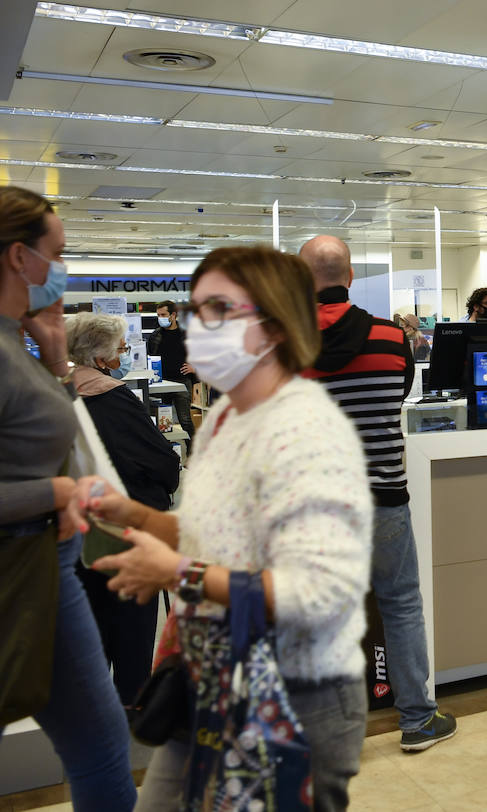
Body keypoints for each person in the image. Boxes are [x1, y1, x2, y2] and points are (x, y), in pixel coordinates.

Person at [73, 245, 373, 811]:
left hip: (292, 699)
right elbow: (208, 534)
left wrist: (178, 573)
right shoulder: (227, 419)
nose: (199, 328)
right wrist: (132, 515)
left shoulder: (304, 430)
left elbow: (315, 594)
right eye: (198, 311)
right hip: (211, 677)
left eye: (219, 312)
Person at [0, 186, 137, 811]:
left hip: (45, 571)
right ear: (19, 258)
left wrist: (56, 363)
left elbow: (52, 441)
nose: (65, 269)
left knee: (101, 741)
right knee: (99, 743)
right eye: (57, 254)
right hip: (14, 571)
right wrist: (56, 491)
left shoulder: (17, 342)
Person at [297, 235, 458, 753]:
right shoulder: (391, 337)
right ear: (349, 274)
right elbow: (399, 395)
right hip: (384, 494)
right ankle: (417, 720)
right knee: (401, 603)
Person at [66, 312, 181, 707]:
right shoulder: (114, 397)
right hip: (130, 527)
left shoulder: (58, 396)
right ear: (100, 357)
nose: (123, 354)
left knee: (91, 620)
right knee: (132, 619)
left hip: (77, 528)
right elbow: (161, 461)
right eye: (118, 348)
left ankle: (95, 701)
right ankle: (132, 701)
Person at [149, 299, 198, 439]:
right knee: (161, 423)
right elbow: (149, 356)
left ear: (173, 315)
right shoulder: (155, 336)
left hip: (182, 382)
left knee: (185, 421)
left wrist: (194, 368)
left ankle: (193, 453)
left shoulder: (187, 335)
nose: (160, 318)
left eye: (163, 315)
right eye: (158, 315)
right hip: (161, 384)